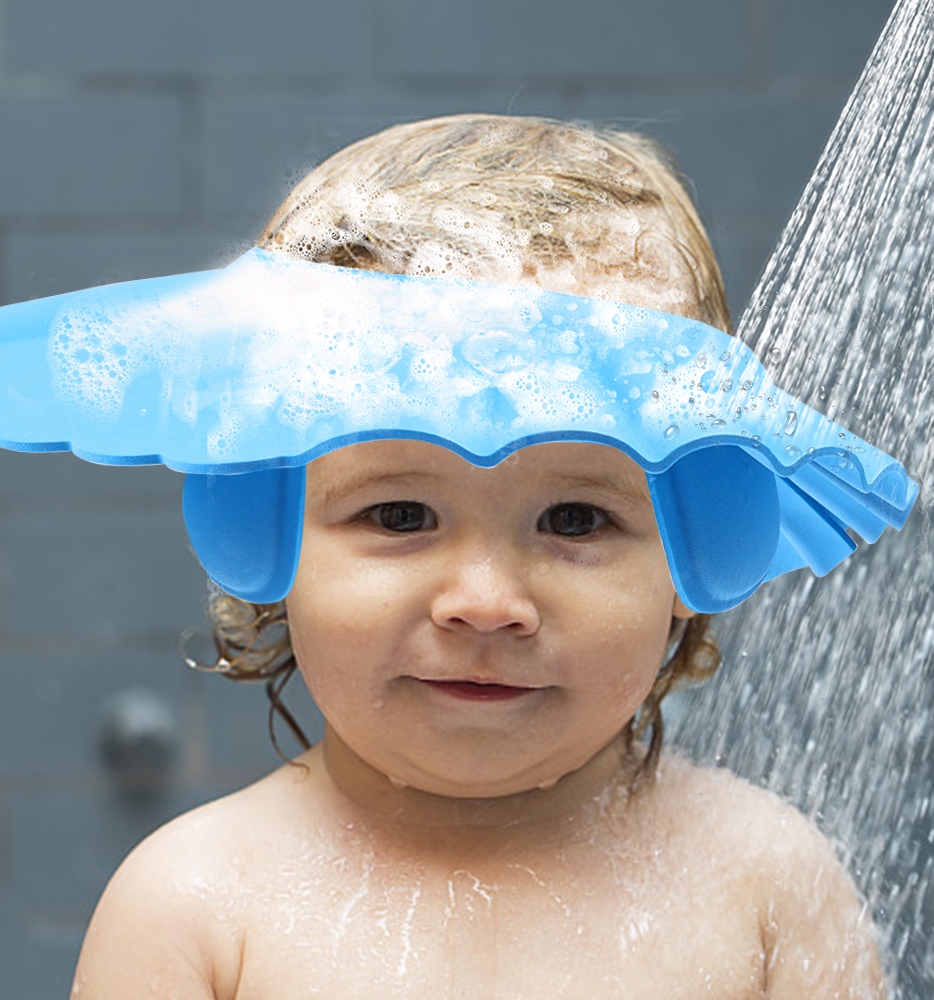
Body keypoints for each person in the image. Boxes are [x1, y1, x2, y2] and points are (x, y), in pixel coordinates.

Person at [69, 115, 887, 998]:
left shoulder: (767, 888)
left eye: (575, 520)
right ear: (265, 532)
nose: (487, 601)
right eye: (400, 512)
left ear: (699, 545)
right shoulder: (197, 909)